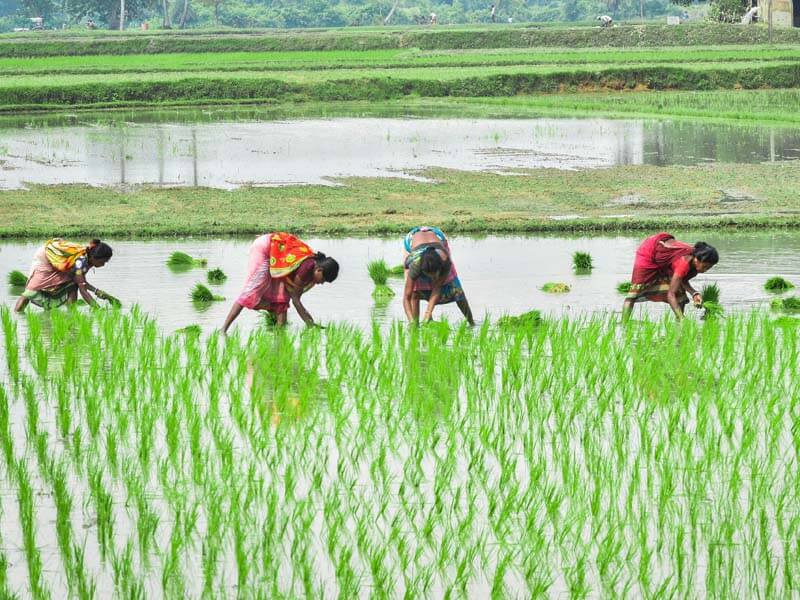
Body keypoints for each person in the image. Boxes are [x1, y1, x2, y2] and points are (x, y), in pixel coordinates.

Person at [222, 232, 339, 333]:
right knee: (252, 289)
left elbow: (292, 297)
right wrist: (310, 323)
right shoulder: (306, 268)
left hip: (277, 256)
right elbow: (296, 300)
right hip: (265, 248)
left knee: (281, 299)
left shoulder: (312, 269)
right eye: (323, 279)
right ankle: (223, 330)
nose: (322, 283)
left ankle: (279, 340)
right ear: (319, 270)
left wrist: (311, 322)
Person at [622, 233, 719, 321]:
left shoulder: (693, 264)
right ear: (697, 260)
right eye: (705, 266)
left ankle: (678, 322)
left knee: (680, 292)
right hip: (648, 251)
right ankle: (624, 323)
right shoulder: (683, 264)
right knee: (634, 293)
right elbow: (670, 294)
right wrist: (683, 319)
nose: (706, 270)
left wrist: (694, 293)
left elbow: (682, 280)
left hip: (663, 256)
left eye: (709, 267)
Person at [15, 238, 114, 311]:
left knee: (73, 284)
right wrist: (98, 309)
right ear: (94, 257)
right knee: (31, 290)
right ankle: (17, 314)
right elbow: (83, 290)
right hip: (46, 257)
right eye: (102, 261)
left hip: (60, 264)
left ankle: (71, 312)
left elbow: (81, 282)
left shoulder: (88, 260)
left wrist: (98, 292)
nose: (103, 264)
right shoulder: (80, 262)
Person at [403, 226, 474, 325]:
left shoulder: (445, 261)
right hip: (412, 240)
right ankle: (415, 325)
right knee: (415, 293)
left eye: (434, 275)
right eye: (429, 275)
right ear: (422, 270)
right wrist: (410, 321)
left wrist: (428, 313)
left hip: (438, 237)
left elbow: (437, 288)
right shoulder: (415, 265)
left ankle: (472, 323)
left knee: (457, 291)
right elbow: (407, 297)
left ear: (439, 268)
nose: (432, 279)